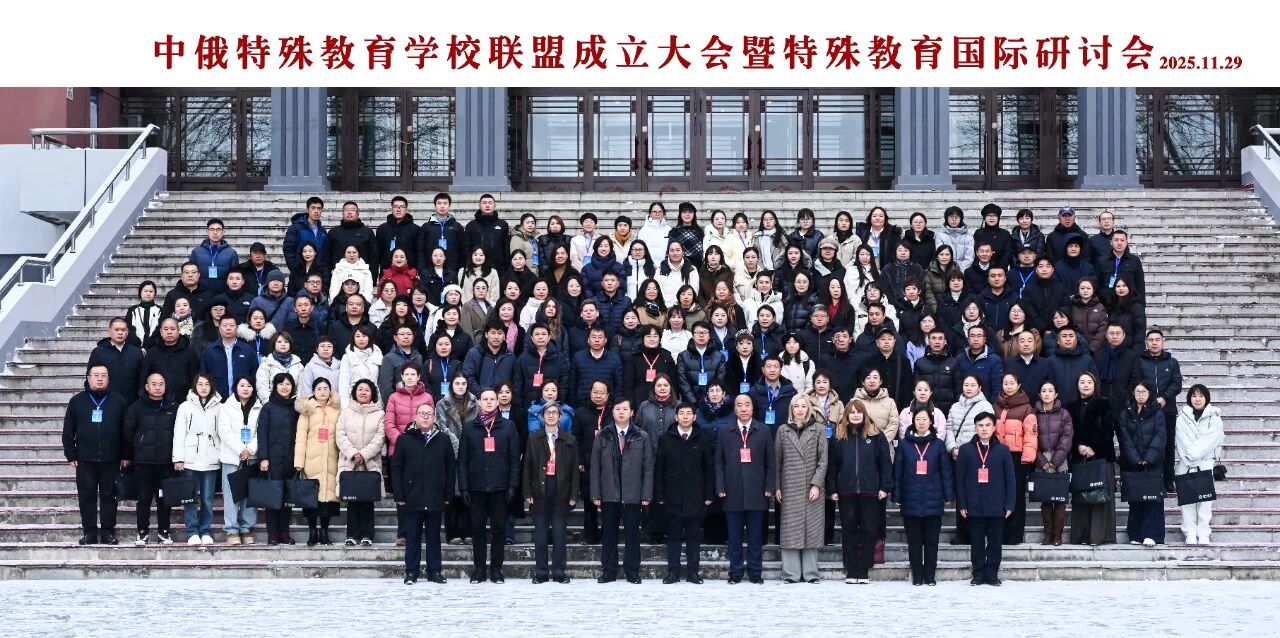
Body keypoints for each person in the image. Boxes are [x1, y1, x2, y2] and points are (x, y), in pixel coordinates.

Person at [458, 388, 521, 584]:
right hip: (476, 487)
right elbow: (462, 461)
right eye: (485, 399)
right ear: (479, 402)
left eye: (492, 399)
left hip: (500, 487)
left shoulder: (508, 426)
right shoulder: (470, 427)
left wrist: (513, 486)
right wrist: (464, 487)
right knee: (477, 529)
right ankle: (479, 568)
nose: (488, 402)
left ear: (497, 402)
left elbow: (514, 460)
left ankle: (496, 568)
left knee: (499, 530)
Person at [826, 399, 891, 584]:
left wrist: (885, 487)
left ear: (864, 414)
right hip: (846, 491)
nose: (855, 415)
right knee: (849, 530)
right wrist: (832, 488)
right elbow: (832, 465)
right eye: (852, 412)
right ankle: (851, 569)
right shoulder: (839, 437)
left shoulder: (876, 436)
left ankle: (863, 570)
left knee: (869, 530)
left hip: (871, 491)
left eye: (858, 412)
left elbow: (885, 463)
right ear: (847, 415)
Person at [591, 399, 654, 584]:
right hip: (609, 493)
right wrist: (596, 493)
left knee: (632, 535)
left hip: (632, 494)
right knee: (609, 534)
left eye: (625, 409)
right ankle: (608, 571)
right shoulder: (602, 435)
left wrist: (646, 494)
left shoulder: (641, 436)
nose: (621, 412)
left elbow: (648, 468)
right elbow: (595, 467)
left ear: (632, 412)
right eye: (617, 409)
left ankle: (632, 571)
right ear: (612, 412)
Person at [394, 402, 456, 585]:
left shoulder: (443, 439)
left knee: (434, 537)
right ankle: (411, 572)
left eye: (429, 414)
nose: (426, 417)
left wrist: (448, 494)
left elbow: (450, 469)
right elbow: (396, 469)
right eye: (422, 413)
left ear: (434, 418)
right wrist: (399, 495)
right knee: (412, 536)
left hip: (435, 496)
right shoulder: (404, 439)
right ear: (415, 417)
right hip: (412, 497)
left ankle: (434, 571)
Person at [716, 394, 775, 584]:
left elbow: (770, 462)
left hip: (757, 491)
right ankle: (735, 572)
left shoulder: (763, 430)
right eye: (739, 405)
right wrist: (720, 486)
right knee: (734, 537)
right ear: (734, 409)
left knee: (755, 537)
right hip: (732, 490)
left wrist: (769, 486)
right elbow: (719, 463)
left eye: (747, 405)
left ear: (752, 408)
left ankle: (755, 572)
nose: (743, 409)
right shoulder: (725, 431)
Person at [893, 408, 953, 586]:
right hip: (910, 499)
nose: (921, 422)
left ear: (931, 422)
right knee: (914, 542)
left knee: (932, 542)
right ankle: (918, 576)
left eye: (924, 419)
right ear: (913, 421)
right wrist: (897, 496)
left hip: (933, 499)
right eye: (918, 419)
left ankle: (930, 576)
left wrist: (948, 495)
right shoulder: (904, 444)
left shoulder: (938, 445)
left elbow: (946, 472)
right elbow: (898, 472)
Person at [955, 412, 1016, 586]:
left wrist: (1010, 503)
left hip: (997, 505)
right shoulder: (966, 450)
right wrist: (962, 503)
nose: (984, 429)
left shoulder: (1003, 450)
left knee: (995, 543)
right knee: (977, 542)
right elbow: (960, 479)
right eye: (980, 425)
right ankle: (978, 574)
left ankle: (992, 574)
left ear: (994, 427)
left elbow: (1010, 479)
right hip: (974, 504)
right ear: (975, 428)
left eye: (988, 425)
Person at [524, 401, 580, 583]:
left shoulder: (569, 440)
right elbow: (527, 467)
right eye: (547, 413)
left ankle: (558, 572)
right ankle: (541, 572)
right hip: (539, 491)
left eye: (554, 412)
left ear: (560, 417)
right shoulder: (534, 439)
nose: (551, 415)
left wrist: (573, 495)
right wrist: (527, 493)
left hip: (561, 492)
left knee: (559, 535)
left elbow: (574, 470)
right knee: (540, 536)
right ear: (542, 417)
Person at [774, 398, 827, 584]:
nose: (800, 409)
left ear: (809, 409)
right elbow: (777, 462)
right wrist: (777, 486)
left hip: (811, 487)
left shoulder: (819, 429)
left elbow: (823, 461)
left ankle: (811, 573)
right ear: (791, 409)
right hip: (790, 486)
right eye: (796, 406)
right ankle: (791, 574)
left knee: (811, 528)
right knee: (791, 529)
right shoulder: (782, 430)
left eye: (803, 406)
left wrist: (816, 484)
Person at [123, 373, 178, 545]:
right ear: (147, 387)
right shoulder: (136, 408)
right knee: (144, 498)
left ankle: (164, 531)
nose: (157, 387)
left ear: (165, 387)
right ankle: (142, 532)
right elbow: (128, 432)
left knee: (164, 499)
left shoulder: (174, 407)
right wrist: (137, 448)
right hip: (143, 462)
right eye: (154, 384)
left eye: (161, 384)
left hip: (166, 462)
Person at [1068, 371, 1117, 546]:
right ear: (1077, 385)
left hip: (1101, 456)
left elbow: (1107, 429)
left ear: (1095, 385)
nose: (1086, 385)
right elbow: (1068, 431)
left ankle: (1098, 536)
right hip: (1079, 457)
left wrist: (1092, 448)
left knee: (1100, 497)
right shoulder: (1071, 406)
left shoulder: (1104, 403)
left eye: (1089, 382)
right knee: (1081, 497)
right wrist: (1078, 446)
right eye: (1082, 382)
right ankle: (1080, 536)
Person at [172, 373, 222, 544]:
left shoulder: (219, 406)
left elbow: (221, 433)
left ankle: (205, 530)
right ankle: (192, 531)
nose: (203, 387)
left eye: (207, 384)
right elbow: (179, 433)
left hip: (211, 457)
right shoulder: (185, 406)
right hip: (190, 457)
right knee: (190, 497)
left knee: (207, 498)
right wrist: (178, 458)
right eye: (200, 384)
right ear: (195, 386)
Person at [335, 379, 385, 546]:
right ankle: (352, 535)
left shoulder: (379, 414)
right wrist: (353, 453)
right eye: (360, 389)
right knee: (352, 500)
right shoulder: (346, 413)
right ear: (355, 392)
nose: (363, 392)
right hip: (350, 462)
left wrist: (363, 455)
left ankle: (367, 535)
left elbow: (380, 438)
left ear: (373, 393)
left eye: (367, 390)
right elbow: (340, 435)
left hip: (370, 463)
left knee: (367, 500)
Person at [293, 377, 341, 546]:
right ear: (313, 391)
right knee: (311, 498)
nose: (322, 392)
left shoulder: (337, 409)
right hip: (311, 460)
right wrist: (299, 462)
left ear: (330, 390)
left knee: (328, 499)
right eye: (319, 389)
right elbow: (301, 437)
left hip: (331, 458)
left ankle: (325, 532)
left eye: (325, 388)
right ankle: (312, 532)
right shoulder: (307, 409)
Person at [1118, 382, 1167, 547]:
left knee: (1153, 499)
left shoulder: (1157, 413)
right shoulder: (1126, 413)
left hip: (1153, 462)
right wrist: (1135, 458)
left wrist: (1149, 457)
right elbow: (1124, 438)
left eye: (1143, 391)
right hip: (1133, 462)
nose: (1140, 394)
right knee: (1136, 498)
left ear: (1149, 393)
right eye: (1138, 391)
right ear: (1133, 393)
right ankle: (1136, 534)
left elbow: (1160, 436)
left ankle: (1152, 534)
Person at [1176, 385, 1224, 545]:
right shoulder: (1181, 418)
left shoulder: (1215, 418)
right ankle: (1189, 533)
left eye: (1201, 396)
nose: (1197, 399)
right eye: (1194, 396)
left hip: (1205, 464)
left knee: (1205, 503)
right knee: (1187, 502)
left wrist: (1192, 455)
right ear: (1189, 398)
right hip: (1185, 464)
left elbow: (1211, 440)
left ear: (1206, 398)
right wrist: (1191, 457)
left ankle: (1203, 533)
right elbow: (1181, 441)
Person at [994, 372, 1037, 545]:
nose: (1008, 386)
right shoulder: (996, 406)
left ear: (1018, 385)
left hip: (1017, 457)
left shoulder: (1026, 408)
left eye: (1012, 383)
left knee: (1017, 495)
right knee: (1000, 494)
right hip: (998, 456)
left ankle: (1014, 535)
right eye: (1006, 383)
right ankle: (1000, 533)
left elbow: (1031, 436)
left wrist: (1027, 459)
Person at [216, 377, 259, 544]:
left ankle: (246, 528)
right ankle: (232, 529)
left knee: (249, 495)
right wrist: (241, 450)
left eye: (249, 385)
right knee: (231, 495)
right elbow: (224, 431)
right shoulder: (226, 407)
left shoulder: (259, 407)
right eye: (242, 385)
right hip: (232, 457)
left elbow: (261, 432)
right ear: (236, 388)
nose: (246, 388)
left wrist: (250, 450)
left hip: (252, 457)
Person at [1138, 329, 1183, 490]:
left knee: (1168, 446)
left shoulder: (1172, 362)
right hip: (1146, 411)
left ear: (1163, 342)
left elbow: (1177, 383)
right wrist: (1149, 401)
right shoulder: (1140, 362)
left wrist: (1164, 398)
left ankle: (1168, 479)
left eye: (1157, 340)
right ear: (1146, 342)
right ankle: (1151, 478)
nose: (1154, 343)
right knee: (1148, 445)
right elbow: (1136, 383)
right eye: (1151, 340)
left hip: (1167, 411)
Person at [257, 373, 299, 545]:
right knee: (272, 497)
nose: (284, 387)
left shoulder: (295, 408)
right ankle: (272, 534)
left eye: (288, 384)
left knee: (287, 499)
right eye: (281, 384)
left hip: (290, 459)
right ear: (275, 386)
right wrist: (264, 457)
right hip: (272, 460)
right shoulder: (268, 407)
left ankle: (284, 533)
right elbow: (262, 433)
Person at [1034, 380, 1073, 546]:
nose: (1047, 394)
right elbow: (1031, 440)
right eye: (1044, 391)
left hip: (1060, 461)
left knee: (1059, 499)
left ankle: (1058, 535)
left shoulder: (1064, 414)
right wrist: (1042, 460)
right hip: (1041, 460)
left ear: (1056, 394)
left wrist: (1056, 460)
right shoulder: (1033, 414)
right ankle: (1048, 534)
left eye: (1050, 391)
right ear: (1039, 394)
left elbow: (1067, 438)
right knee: (1045, 499)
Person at [88, 317, 146, 408]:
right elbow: (90, 378)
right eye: (116, 330)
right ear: (109, 331)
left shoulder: (136, 352)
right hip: (106, 402)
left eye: (123, 330)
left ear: (127, 332)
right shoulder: (98, 352)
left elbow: (142, 378)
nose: (120, 333)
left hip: (132, 403)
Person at [141, 318, 200, 402]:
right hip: (157, 401)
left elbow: (195, 378)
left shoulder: (190, 352)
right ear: (161, 332)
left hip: (183, 401)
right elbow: (143, 378)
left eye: (173, 329)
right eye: (166, 329)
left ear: (179, 330)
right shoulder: (152, 353)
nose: (169, 332)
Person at [338, 325, 383, 408]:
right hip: (353, 400)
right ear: (353, 338)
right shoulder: (347, 357)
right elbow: (343, 382)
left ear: (369, 338)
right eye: (358, 336)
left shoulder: (377, 354)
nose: (361, 339)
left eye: (364, 336)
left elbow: (381, 380)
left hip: (374, 400)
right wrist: (344, 405)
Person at [254, 332, 304, 406]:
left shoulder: (298, 365)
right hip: (272, 405)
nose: (283, 344)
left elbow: (301, 389)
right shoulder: (266, 364)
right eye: (279, 342)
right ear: (274, 344)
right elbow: (262, 388)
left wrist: (297, 405)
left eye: (286, 342)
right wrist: (271, 405)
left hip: (293, 406)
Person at [1095, 228, 1145, 299]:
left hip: (1130, 302)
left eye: (1122, 240)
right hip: (1108, 303)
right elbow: (1097, 284)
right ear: (1111, 242)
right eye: (1116, 240)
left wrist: (1140, 304)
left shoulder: (1134, 260)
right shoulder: (1102, 261)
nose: (1119, 243)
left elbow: (1140, 285)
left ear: (1126, 243)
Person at [283, 196, 327, 271]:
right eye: (313, 208)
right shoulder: (295, 228)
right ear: (307, 209)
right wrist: (295, 270)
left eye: (319, 208)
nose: (316, 211)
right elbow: (288, 250)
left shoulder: (323, 231)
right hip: (301, 271)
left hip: (319, 272)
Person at [126, 281, 162, 346]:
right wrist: (138, 347)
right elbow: (129, 330)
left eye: (151, 291)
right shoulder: (132, 310)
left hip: (155, 347)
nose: (148, 294)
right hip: (135, 347)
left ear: (155, 294)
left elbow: (159, 330)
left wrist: (149, 346)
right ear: (140, 293)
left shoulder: (160, 310)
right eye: (145, 291)